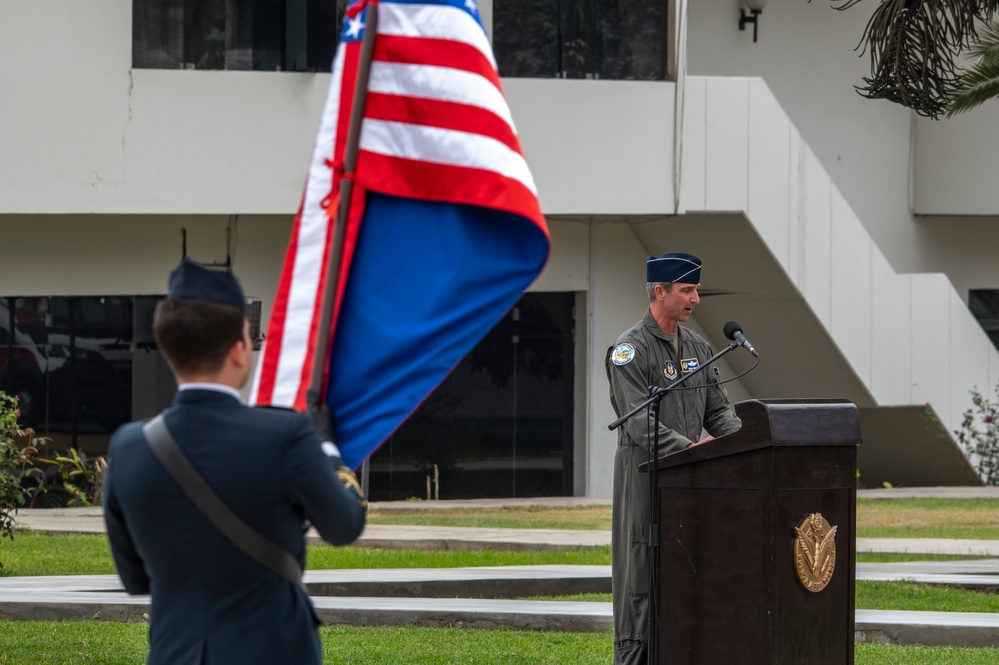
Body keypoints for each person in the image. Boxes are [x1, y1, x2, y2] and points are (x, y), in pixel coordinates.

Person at [103, 257, 367, 665]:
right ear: (239, 350)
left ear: (171, 350)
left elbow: (135, 579)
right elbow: (345, 525)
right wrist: (327, 448)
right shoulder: (285, 436)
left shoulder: (129, 447)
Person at [605, 252, 742, 665]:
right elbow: (636, 423)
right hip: (645, 480)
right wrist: (687, 449)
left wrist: (746, 447)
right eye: (687, 290)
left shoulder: (699, 347)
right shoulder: (630, 350)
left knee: (692, 572)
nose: (696, 298)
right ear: (659, 292)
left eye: (696, 289)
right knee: (642, 578)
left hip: (694, 479)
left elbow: (719, 411)